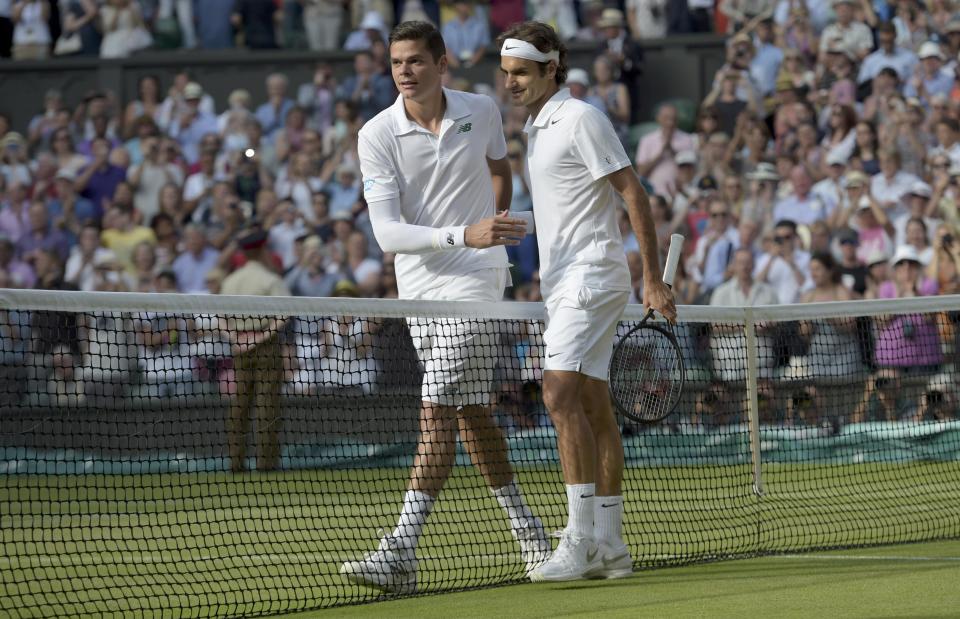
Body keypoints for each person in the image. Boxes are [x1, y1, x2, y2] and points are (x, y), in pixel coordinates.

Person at [340, 21, 551, 595]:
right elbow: (386, 234)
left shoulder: (480, 109)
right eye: (396, 63)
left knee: (434, 407)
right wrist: (466, 234)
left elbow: (500, 169)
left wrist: (495, 231)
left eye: (414, 61)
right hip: (420, 287)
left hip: (479, 281)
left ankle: (400, 550)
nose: (404, 72)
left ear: (441, 63)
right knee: (470, 413)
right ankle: (529, 532)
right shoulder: (375, 133)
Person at [499, 21, 675, 582]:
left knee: (556, 395)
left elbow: (633, 192)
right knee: (594, 406)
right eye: (506, 74)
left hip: (591, 278)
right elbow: (566, 207)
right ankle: (610, 544)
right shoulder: (537, 126)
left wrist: (652, 278)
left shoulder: (580, 117)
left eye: (521, 73)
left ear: (552, 69)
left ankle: (576, 542)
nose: (511, 84)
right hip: (566, 281)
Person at [219, 227, 290, 472]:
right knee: (266, 406)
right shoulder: (270, 279)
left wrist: (236, 339)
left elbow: (219, 318)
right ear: (262, 250)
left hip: (239, 348)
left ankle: (236, 462)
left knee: (239, 407)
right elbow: (284, 315)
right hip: (265, 348)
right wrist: (260, 337)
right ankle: (266, 464)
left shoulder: (230, 281)